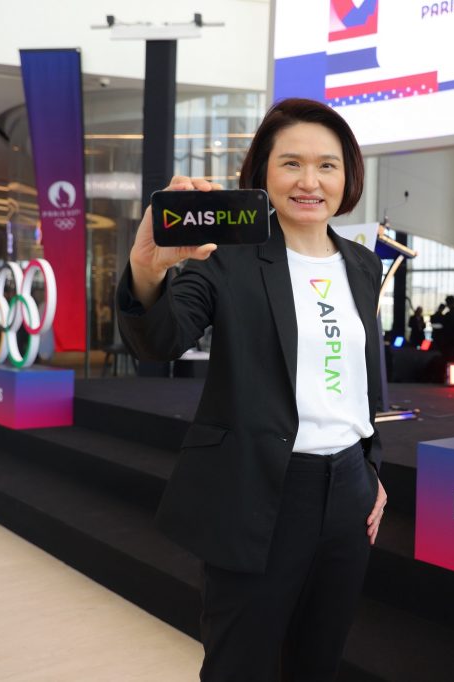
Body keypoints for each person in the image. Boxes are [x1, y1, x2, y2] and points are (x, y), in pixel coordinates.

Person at [116, 98, 387, 681]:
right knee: (239, 666)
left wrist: (371, 467)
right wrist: (148, 268)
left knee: (318, 663)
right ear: (262, 171)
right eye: (291, 163)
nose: (310, 181)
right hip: (260, 492)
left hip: (348, 494)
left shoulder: (363, 266)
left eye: (327, 165)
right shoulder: (228, 258)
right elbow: (160, 341)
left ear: (348, 177)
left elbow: (359, 381)